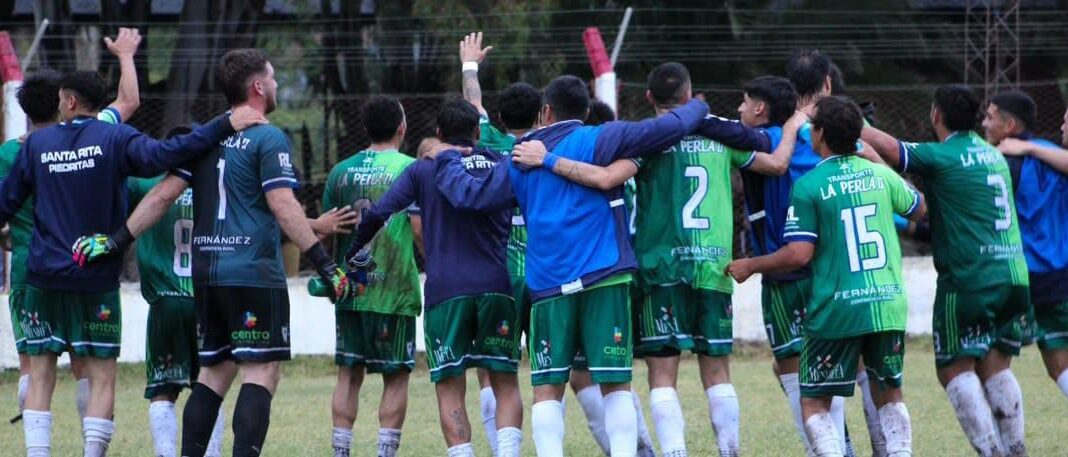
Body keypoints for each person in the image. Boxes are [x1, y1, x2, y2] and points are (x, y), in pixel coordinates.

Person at [509, 64, 806, 457]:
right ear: (690, 95)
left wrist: (548, 160)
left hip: (661, 268)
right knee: (717, 371)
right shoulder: (723, 139)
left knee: (661, 375)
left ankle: (674, 453)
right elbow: (777, 164)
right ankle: (729, 451)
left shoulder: (647, 145)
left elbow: (606, 178)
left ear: (649, 98)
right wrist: (792, 125)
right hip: (713, 267)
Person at [76, 48, 349, 457]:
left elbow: (163, 195)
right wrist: (326, 264)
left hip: (205, 274)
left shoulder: (208, 136)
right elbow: (283, 205)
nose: (275, 85)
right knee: (261, 370)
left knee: (214, 373)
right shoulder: (268, 137)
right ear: (258, 87)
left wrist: (115, 241)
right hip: (252, 273)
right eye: (272, 78)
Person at [427, 73, 710, 457]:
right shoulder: (602, 138)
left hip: (548, 285)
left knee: (547, 386)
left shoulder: (522, 156)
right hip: (605, 276)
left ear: (546, 111)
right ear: (586, 110)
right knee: (614, 383)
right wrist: (698, 105)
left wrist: (445, 159)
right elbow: (670, 126)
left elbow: (470, 196)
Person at [1, 63, 264, 456]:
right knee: (101, 375)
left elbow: (5, 206)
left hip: (43, 276)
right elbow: (167, 154)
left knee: (39, 375)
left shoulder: (34, 146)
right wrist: (224, 124)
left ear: (70, 101)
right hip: (95, 276)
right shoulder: (115, 138)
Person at [727, 95, 924, 457]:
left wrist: (751, 265)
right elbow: (919, 207)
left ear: (819, 134)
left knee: (814, 400)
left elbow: (799, 254)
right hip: (887, 304)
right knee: (890, 394)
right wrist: (878, 161)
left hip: (838, 309)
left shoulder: (810, 186)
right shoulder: (880, 176)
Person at [346, 100, 524, 457]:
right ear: (477, 131)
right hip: (497, 287)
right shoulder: (503, 164)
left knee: (449, 385)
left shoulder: (423, 170)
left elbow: (378, 213)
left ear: (439, 135)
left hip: (446, 292)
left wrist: (353, 252)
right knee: (505, 381)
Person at [862, 84, 1030, 457]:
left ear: (935, 115)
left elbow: (893, 149)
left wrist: (849, 121)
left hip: (970, 278)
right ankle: (1016, 451)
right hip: (1014, 274)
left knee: (954, 368)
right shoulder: (993, 155)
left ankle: (992, 453)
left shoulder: (943, 155)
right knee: (995, 366)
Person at [2, 28, 142, 428]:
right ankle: (91, 436)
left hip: (32, 267)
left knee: (34, 363)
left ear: (27, 110)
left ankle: (33, 432)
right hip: (86, 261)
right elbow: (129, 101)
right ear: (66, 101)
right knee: (89, 362)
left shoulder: (13, 152)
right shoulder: (97, 133)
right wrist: (126, 56)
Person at [315, 96, 423, 457]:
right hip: (394, 292)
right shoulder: (411, 169)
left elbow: (323, 232)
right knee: (396, 376)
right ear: (402, 128)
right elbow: (421, 231)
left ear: (365, 129)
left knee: (348, 374)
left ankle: (340, 452)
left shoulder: (340, 171)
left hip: (350, 291)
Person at [991, 95, 1068, 402]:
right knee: (1057, 362)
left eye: (989, 116)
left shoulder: (998, 161)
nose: (1062, 124)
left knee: (993, 361)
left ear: (1009, 125)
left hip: (1019, 274)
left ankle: (1006, 444)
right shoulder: (1054, 155)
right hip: (1059, 274)